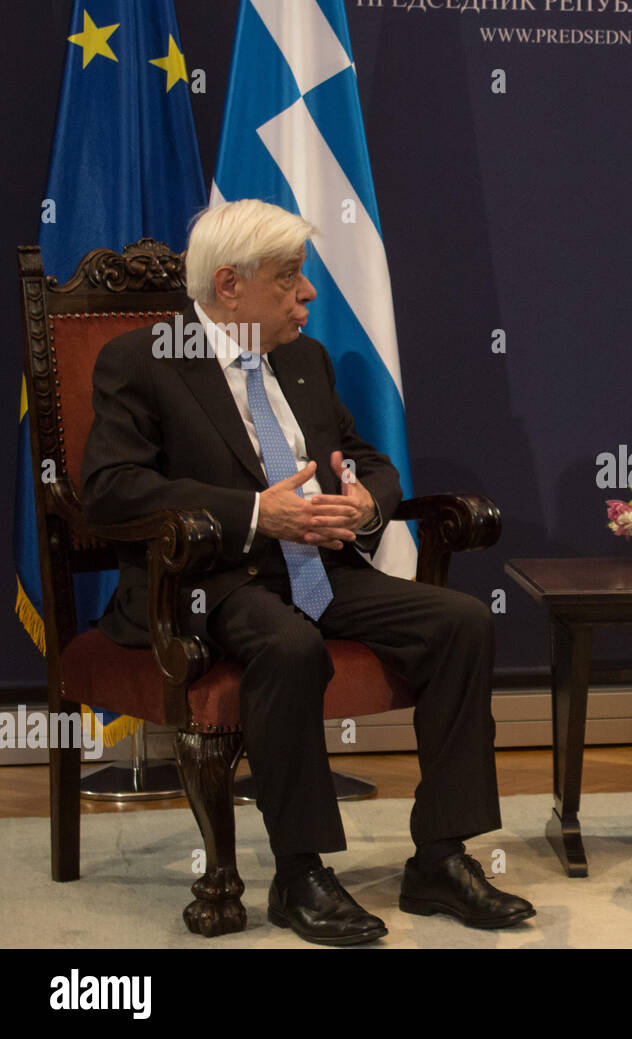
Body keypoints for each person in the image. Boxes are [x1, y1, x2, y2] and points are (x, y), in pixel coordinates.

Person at [81, 198, 534, 945]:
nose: (310, 294)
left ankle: (441, 857)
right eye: (290, 277)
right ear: (229, 285)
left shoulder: (304, 359)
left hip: (319, 570)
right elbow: (110, 490)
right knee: (288, 644)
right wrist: (257, 513)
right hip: (210, 580)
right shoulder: (143, 360)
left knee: (460, 623)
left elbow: (371, 463)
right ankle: (301, 872)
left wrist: (363, 502)